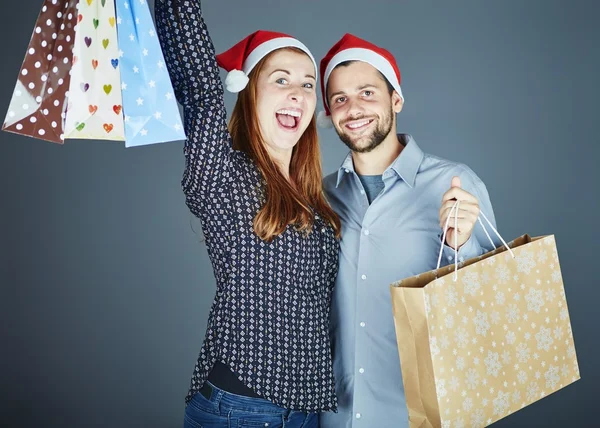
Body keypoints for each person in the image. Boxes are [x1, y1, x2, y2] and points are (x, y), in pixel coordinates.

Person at [155, 1, 341, 426]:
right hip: (241, 410)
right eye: (281, 80)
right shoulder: (224, 173)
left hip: (308, 412)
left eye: (308, 84)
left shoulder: (315, 197)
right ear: (249, 89)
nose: (298, 93)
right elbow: (200, 90)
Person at [316, 33, 503, 427]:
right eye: (339, 99)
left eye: (367, 92)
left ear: (395, 99)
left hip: (416, 418)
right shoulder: (320, 197)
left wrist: (459, 244)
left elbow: (491, 316)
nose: (353, 109)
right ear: (330, 115)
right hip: (334, 417)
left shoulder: (456, 183)